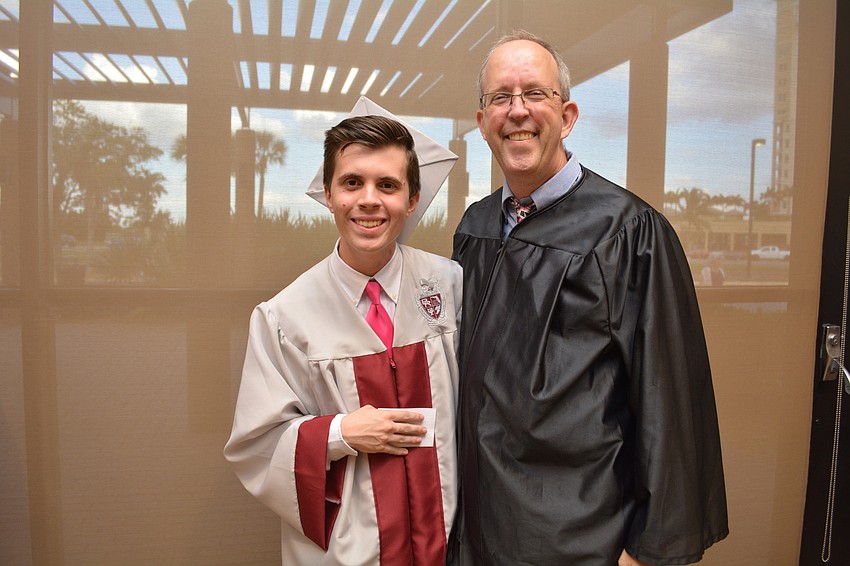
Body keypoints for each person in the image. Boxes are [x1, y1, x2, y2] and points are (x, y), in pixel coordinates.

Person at [449, 30, 728, 565]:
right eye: (500, 97)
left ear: (568, 114)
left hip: (578, 535)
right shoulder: (476, 225)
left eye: (535, 93)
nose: (518, 111)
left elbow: (667, 398)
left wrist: (648, 552)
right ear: (482, 121)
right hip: (479, 524)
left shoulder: (628, 232)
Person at [224, 115, 462, 565]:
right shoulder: (284, 317)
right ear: (328, 194)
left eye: (387, 185)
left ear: (412, 200)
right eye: (352, 182)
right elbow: (256, 446)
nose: (369, 200)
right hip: (351, 553)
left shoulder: (452, 287)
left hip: (450, 542)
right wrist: (339, 432)